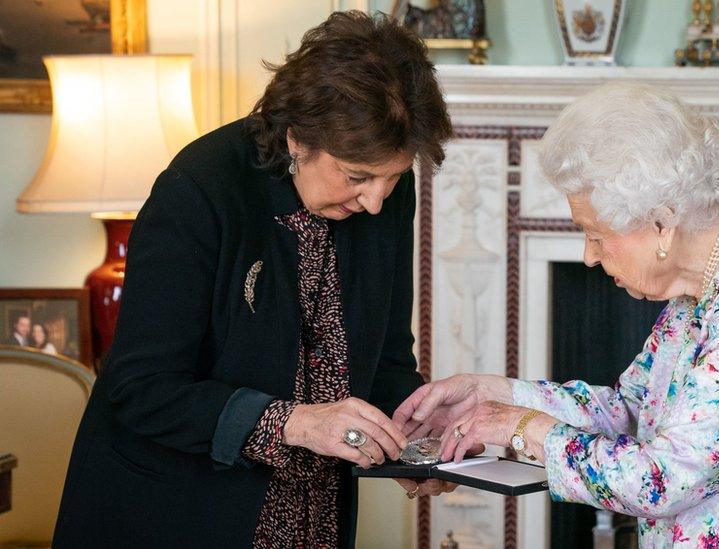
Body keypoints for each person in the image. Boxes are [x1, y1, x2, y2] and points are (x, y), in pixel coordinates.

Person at [395, 84, 719, 548]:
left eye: (595, 233)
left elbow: (665, 478)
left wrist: (521, 428)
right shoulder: (706, 287)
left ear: (662, 222)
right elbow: (630, 412)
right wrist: (494, 396)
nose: (588, 255)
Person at [54, 12, 453, 549]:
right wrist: (294, 423)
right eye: (358, 177)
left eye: (395, 178)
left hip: (314, 515)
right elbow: (141, 387)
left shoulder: (380, 196)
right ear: (297, 138)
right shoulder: (199, 191)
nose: (376, 200)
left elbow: (384, 358)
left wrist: (416, 434)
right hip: (175, 511)